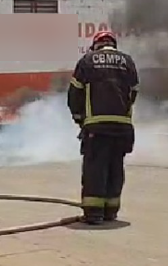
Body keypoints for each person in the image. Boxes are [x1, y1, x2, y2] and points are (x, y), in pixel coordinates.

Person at [67, 29, 140, 225]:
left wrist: (79, 118)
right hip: (122, 127)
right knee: (115, 167)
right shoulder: (128, 62)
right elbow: (133, 92)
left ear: (96, 45)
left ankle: (93, 213)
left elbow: (75, 93)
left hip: (97, 127)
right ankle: (110, 211)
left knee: (95, 168)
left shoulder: (87, 61)